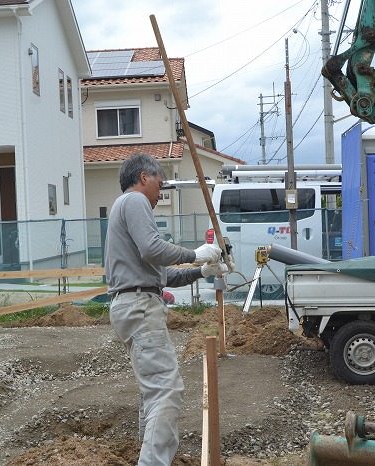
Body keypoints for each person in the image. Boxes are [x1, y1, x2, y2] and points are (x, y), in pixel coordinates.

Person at [104, 153, 227, 466]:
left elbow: (162, 276)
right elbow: (153, 249)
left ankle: (151, 457)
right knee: (167, 391)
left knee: (153, 392)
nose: (161, 193)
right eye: (160, 184)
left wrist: (203, 271)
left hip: (134, 303)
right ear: (144, 177)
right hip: (139, 306)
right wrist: (195, 254)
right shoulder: (134, 202)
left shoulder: (126, 208)